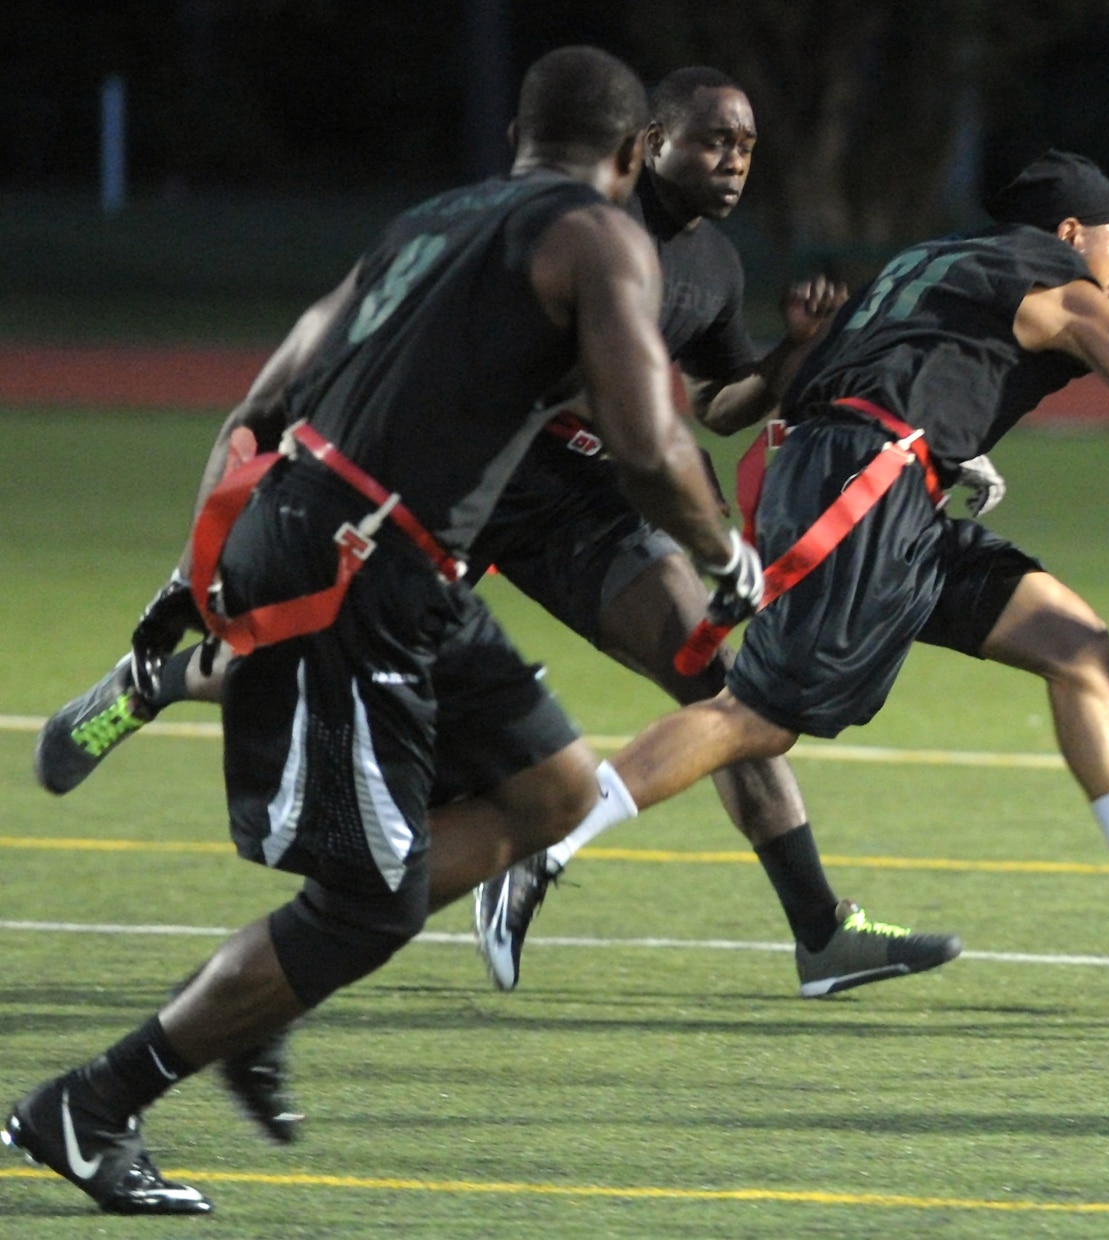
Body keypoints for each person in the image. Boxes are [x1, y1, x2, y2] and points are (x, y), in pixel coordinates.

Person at [3, 47, 758, 1215]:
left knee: (554, 793)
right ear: (626, 155)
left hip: (367, 555)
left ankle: (255, 973)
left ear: (518, 134)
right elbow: (652, 445)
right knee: (368, 905)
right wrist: (723, 554)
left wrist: (192, 569)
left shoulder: (431, 219)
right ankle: (91, 1105)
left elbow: (264, 400)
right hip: (359, 572)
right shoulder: (602, 237)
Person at [33, 67, 963, 1005]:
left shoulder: (713, 265)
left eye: (747, 146)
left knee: (720, 691)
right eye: (713, 140)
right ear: (648, 143)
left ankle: (816, 931)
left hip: (583, 506)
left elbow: (714, 405)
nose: (733, 161)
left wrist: (791, 358)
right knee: (338, 668)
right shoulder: (578, 225)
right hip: (465, 491)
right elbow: (625, 420)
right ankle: (155, 683)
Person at [488, 150, 1109, 974]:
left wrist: (945, 448)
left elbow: (833, 384)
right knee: (756, 718)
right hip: (868, 490)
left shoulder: (932, 261)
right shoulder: (1060, 287)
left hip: (877, 484)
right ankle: (547, 841)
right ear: (1070, 233)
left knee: (1073, 642)